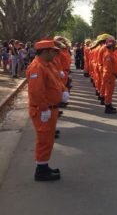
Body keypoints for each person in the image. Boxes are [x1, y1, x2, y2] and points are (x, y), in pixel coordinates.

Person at [27, 39, 69, 181]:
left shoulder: (47, 64)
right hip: (42, 110)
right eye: (53, 51)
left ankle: (44, 166)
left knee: (48, 139)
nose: (55, 54)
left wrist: (63, 91)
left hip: (50, 108)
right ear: (45, 52)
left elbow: (56, 81)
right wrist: (44, 109)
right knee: (44, 140)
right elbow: (36, 91)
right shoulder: (37, 67)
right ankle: (41, 171)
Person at [102, 37, 117, 114]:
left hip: (111, 75)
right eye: (114, 45)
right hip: (109, 76)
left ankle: (109, 104)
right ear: (112, 46)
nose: (115, 47)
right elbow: (108, 68)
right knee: (108, 92)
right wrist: (108, 78)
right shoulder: (108, 55)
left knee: (110, 92)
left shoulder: (110, 54)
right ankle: (107, 108)